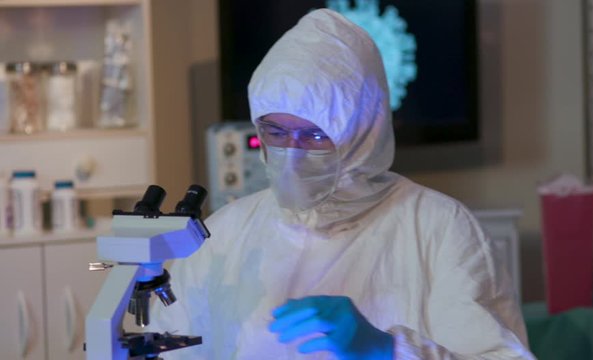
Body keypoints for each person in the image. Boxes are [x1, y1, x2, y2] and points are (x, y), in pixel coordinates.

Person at [150, 8, 534, 359]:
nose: (293, 154)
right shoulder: (222, 235)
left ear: (364, 132)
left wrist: (385, 350)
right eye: (276, 131)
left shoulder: (439, 230)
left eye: (316, 135)